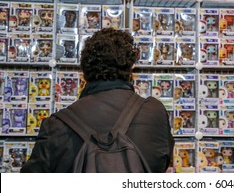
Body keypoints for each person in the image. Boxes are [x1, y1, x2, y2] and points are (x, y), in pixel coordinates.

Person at [21, 28, 174, 172]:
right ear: (130, 67)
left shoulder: (57, 125)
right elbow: (162, 163)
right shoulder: (155, 112)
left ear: (84, 71)